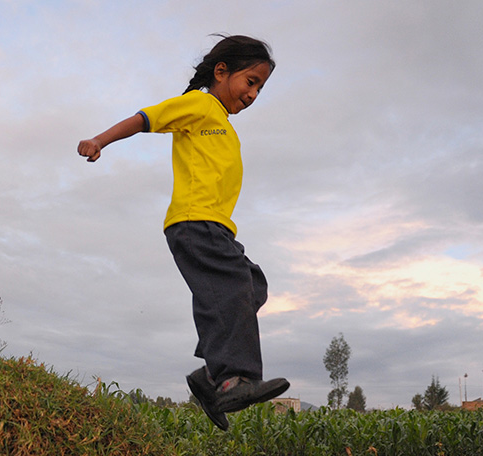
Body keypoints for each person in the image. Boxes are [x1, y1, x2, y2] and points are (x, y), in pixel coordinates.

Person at [76, 35, 288, 430]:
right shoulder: (200, 104)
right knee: (231, 288)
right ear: (221, 72)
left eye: (261, 87)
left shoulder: (221, 123)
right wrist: (100, 140)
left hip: (216, 228)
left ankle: (208, 377)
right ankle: (233, 378)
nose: (254, 93)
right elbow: (145, 118)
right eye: (251, 81)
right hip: (195, 222)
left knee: (252, 285)